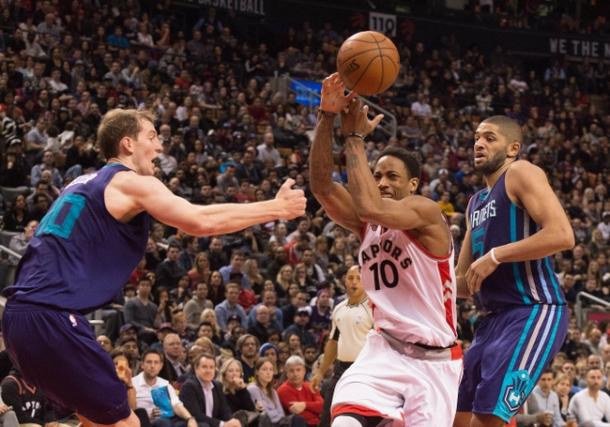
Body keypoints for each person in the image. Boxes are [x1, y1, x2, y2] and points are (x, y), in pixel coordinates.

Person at [1, 109, 306, 427]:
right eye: (152, 136)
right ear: (128, 144)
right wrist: (276, 207)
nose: (159, 146)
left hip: (20, 318)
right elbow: (199, 221)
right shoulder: (126, 181)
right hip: (50, 316)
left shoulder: (79, 183)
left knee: (94, 419)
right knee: (125, 423)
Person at [310, 74, 462, 426]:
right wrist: (326, 117)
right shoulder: (369, 225)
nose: (381, 182)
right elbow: (321, 186)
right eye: (377, 175)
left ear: (413, 184)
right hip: (384, 350)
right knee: (345, 421)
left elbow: (370, 207)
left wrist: (355, 138)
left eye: (391, 177)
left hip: (435, 363)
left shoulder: (426, 213)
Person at [454, 115, 574, 427]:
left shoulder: (520, 172)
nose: (479, 143)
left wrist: (496, 255)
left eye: (490, 138)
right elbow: (465, 284)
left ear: (513, 148)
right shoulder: (474, 204)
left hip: (533, 310)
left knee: (487, 419)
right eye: (477, 138)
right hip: (492, 320)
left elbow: (562, 234)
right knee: (454, 412)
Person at [310, 265, 373, 427]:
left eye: (359, 278)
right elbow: (333, 342)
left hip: (365, 371)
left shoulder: (374, 309)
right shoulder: (339, 308)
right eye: (350, 278)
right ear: (344, 281)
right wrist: (320, 372)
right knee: (327, 416)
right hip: (341, 369)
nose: (354, 282)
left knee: (361, 417)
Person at [132, 350, 199, 427]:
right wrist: (149, 415)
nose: (152, 366)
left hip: (165, 421)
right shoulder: (133, 384)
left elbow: (176, 404)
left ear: (161, 366)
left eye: (156, 362)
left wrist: (190, 419)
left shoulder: (164, 384)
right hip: (142, 423)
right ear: (142, 365)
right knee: (163, 422)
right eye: (149, 362)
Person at [179, 353, 242, 427]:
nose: (208, 370)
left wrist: (231, 421)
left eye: (211, 367)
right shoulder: (189, 386)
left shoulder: (217, 385)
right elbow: (196, 415)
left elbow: (224, 410)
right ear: (196, 369)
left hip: (213, 423)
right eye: (204, 367)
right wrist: (222, 424)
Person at [247, 357, 306, 427]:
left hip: (279, 423)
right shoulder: (253, 389)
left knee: (298, 419)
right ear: (257, 372)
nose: (268, 373)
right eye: (264, 369)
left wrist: (277, 416)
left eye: (271, 370)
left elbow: (281, 412)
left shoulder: (273, 391)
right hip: (266, 423)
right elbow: (263, 413)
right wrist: (276, 414)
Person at [277, 355, 323, 427]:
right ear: (286, 373)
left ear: (304, 371)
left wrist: (304, 405)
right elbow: (300, 414)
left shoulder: (310, 386)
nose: (295, 374)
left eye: (298, 370)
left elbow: (322, 406)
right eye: (291, 371)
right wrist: (314, 407)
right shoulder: (282, 390)